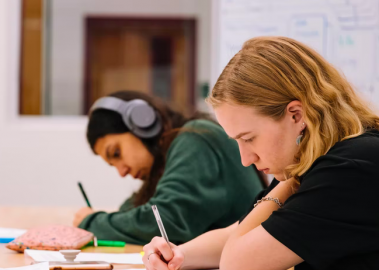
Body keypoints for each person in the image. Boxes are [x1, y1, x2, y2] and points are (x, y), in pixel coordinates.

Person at [143, 36, 379, 270]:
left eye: (249, 139)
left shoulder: (350, 167)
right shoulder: (313, 156)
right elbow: (244, 232)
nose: (246, 159)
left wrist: (291, 181)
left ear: (296, 115)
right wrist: (177, 254)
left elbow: (238, 262)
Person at [73, 90, 264, 245]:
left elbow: (165, 221)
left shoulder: (196, 138)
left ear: (142, 122)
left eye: (116, 153)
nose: (122, 172)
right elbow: (130, 214)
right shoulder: (166, 161)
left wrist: (90, 222)